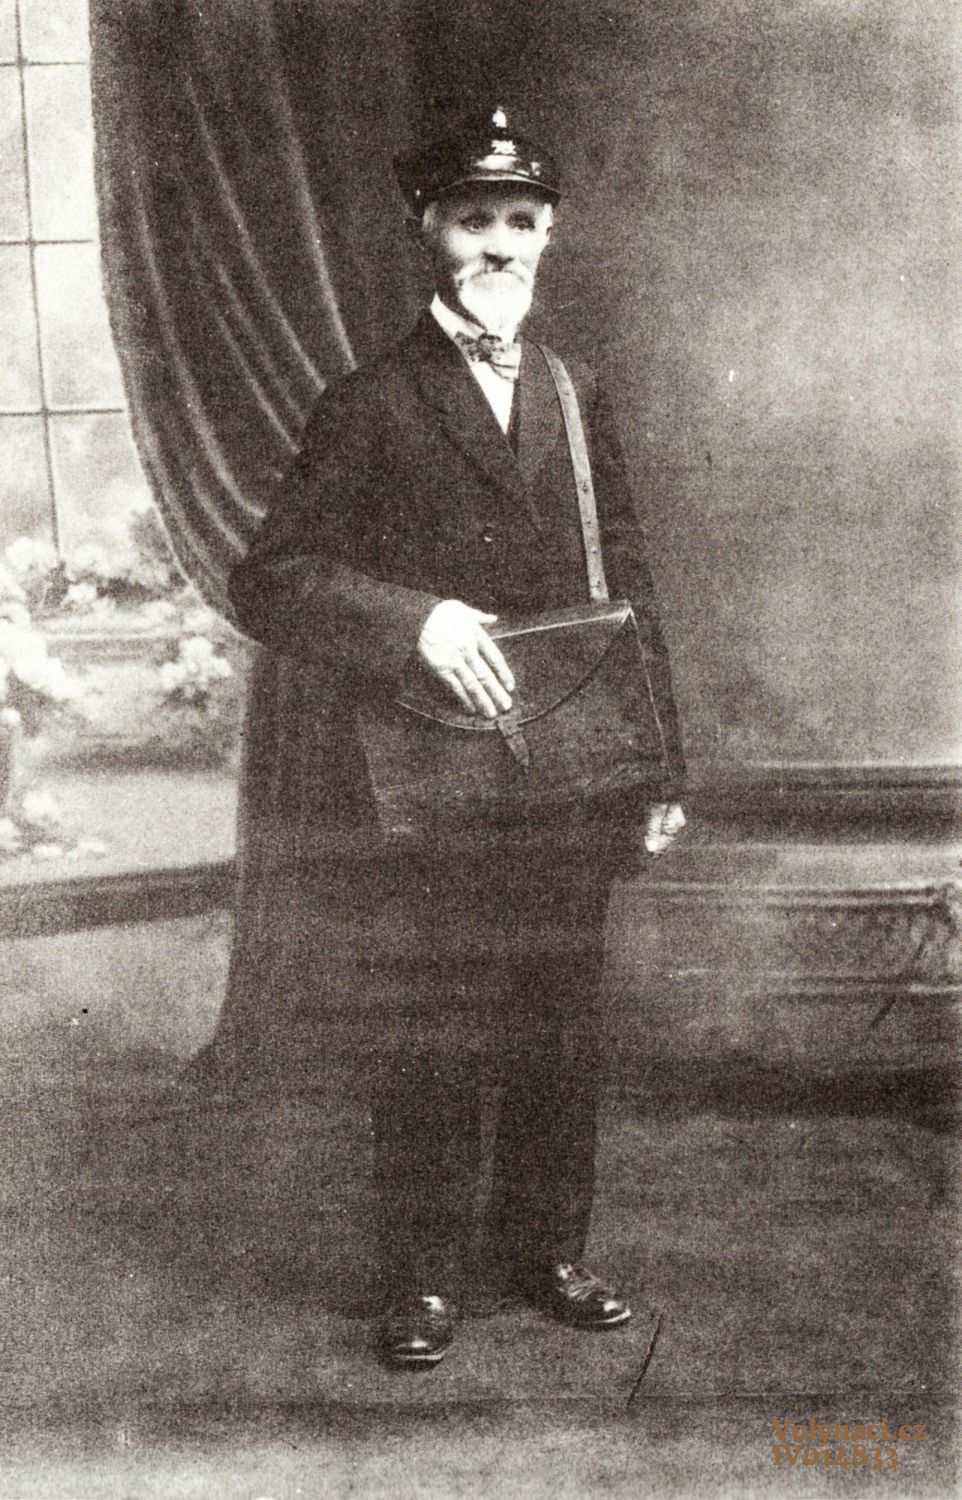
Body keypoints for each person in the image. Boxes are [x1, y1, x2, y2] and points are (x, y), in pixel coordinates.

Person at [228, 107, 686, 1368]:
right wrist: (412, 619)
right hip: (426, 773)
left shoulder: (575, 394)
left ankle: (544, 1253)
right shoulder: (368, 402)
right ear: (424, 231)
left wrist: (660, 763)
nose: (498, 245)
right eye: (472, 220)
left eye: (520, 222)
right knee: (432, 1025)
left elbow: (630, 584)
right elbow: (271, 578)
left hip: (570, 770)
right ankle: (423, 1277)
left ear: (549, 237)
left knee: (557, 1020)